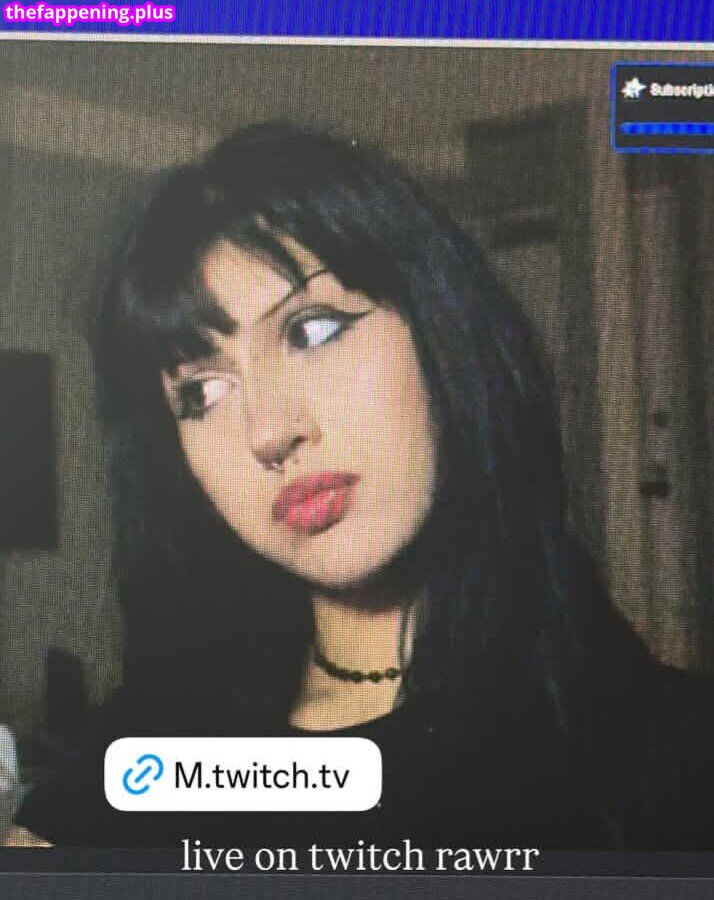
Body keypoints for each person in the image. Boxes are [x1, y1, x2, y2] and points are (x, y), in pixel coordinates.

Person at [10, 123, 714, 850]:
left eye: (312, 331)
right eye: (201, 393)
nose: (269, 432)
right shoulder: (136, 771)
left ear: (443, 333)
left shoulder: (677, 763)